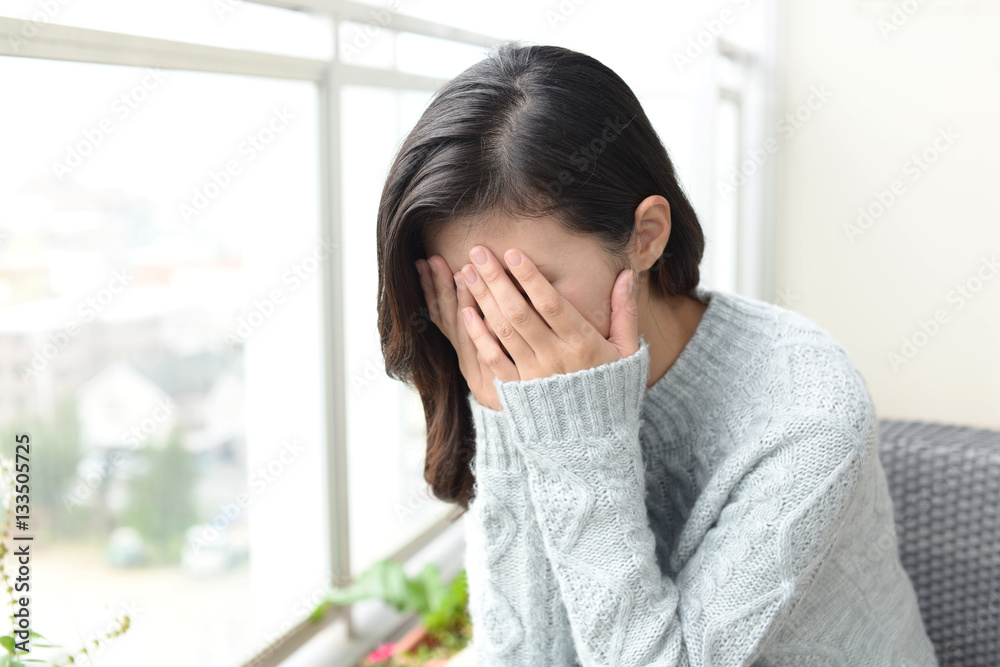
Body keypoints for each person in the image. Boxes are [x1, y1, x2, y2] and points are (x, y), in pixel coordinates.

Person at [376, 42, 939, 666]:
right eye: (469, 296)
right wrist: (506, 420)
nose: (502, 326)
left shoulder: (808, 412)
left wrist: (580, 446)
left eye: (530, 287)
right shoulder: (499, 374)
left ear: (645, 238)